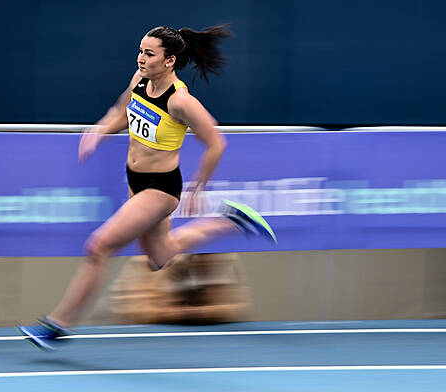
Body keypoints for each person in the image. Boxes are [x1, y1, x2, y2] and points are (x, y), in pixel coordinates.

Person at [18, 25, 276, 350]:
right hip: (134, 180)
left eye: (149, 54)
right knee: (160, 256)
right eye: (140, 51)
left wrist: (198, 190)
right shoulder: (139, 81)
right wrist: (99, 131)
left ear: (169, 61)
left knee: (99, 247)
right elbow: (122, 112)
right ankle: (232, 220)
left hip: (161, 188)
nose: (141, 58)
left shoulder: (180, 102)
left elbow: (217, 143)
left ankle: (58, 325)